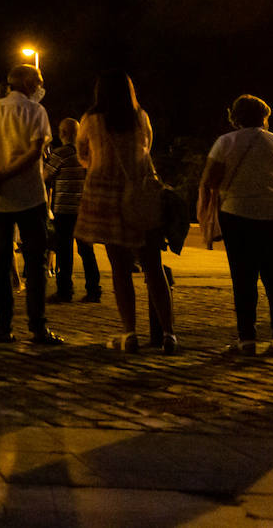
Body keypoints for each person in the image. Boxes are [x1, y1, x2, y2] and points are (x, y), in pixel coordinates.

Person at [74, 70, 176, 354]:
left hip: (104, 196)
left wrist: (98, 163)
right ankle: (168, 334)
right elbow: (147, 148)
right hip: (140, 195)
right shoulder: (140, 117)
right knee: (153, 267)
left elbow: (82, 153)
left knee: (119, 269)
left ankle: (129, 333)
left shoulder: (91, 120)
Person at [199, 94, 273, 356]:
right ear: (265, 117)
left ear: (235, 117)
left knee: (243, 277)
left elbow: (210, 180)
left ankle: (247, 338)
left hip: (238, 213)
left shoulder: (226, 142)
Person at [0, 64, 63, 345]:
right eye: (38, 80)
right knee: (35, 264)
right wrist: (6, 175)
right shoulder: (36, 111)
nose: (41, 85)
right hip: (28, 197)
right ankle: (37, 326)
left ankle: (3, 326)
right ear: (25, 81)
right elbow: (36, 151)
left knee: (0, 263)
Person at [43, 118, 101, 303]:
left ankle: (65, 291)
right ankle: (93, 290)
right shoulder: (88, 154)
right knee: (87, 250)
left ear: (63, 134)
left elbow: (45, 176)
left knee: (64, 251)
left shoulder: (61, 154)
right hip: (84, 208)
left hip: (64, 209)